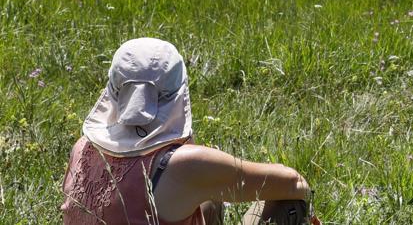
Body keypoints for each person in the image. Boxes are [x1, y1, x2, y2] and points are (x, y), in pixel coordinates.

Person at [61, 38, 316, 225]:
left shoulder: (82, 148)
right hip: (188, 173)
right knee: (289, 200)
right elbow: (295, 183)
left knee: (209, 193)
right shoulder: (184, 165)